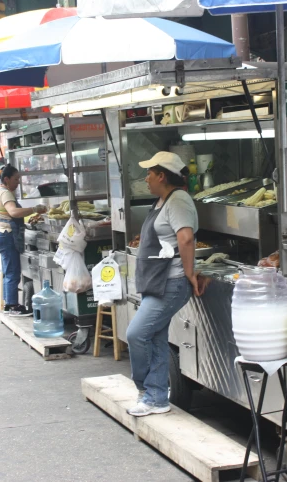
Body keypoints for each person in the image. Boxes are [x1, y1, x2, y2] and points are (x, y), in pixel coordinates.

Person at [126, 152, 201, 417]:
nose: (145, 178)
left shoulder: (178, 200)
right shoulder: (162, 201)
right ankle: (157, 398)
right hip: (157, 283)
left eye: (149, 173)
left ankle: (145, 391)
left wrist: (190, 274)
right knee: (156, 338)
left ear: (161, 176)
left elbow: (186, 238)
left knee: (136, 334)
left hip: (171, 283)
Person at [0, 165, 47, 315]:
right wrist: (34, 209)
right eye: (16, 179)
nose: (18, 182)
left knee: (8, 270)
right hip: (7, 234)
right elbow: (14, 212)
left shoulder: (1, 192)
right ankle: (12, 306)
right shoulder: (6, 194)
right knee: (12, 272)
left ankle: (9, 304)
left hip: (2, 234)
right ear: (6, 179)